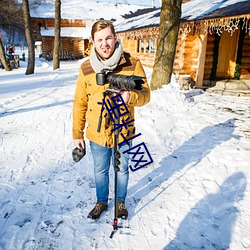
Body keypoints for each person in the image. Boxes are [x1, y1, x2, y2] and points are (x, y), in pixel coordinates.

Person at [72, 20, 150, 220]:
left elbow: (146, 95)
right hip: (97, 133)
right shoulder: (86, 68)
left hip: (124, 130)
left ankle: (121, 202)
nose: (104, 43)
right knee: (100, 170)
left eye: (108, 38)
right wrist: (77, 134)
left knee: (122, 168)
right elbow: (80, 102)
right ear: (93, 42)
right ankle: (101, 202)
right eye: (100, 40)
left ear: (115, 38)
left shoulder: (132, 63)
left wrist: (129, 97)